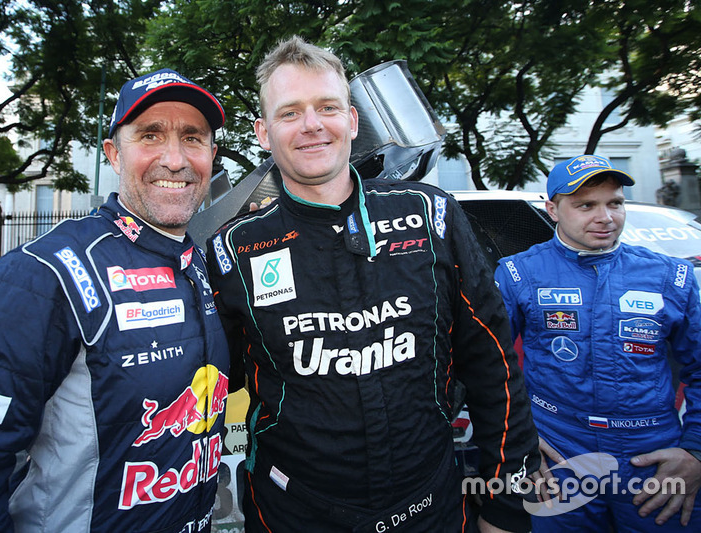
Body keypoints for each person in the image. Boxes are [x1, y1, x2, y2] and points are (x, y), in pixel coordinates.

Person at [207, 36, 540, 533]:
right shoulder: (235, 247)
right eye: (290, 112)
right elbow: (205, 385)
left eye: (327, 107)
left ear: (353, 120)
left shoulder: (430, 214)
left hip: (430, 505)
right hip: (291, 513)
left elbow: (494, 366)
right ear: (263, 132)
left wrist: (509, 506)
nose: (312, 125)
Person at [0, 67, 230, 532]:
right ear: (114, 155)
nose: (174, 159)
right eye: (151, 135)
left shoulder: (201, 263)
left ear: (211, 156)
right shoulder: (44, 273)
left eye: (193, 138)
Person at [494, 154, 701, 532]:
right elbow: (489, 367)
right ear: (553, 209)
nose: (605, 217)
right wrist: (518, 440)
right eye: (586, 205)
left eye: (615, 203)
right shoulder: (518, 272)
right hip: (558, 449)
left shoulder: (672, 276)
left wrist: (696, 452)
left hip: (652, 453)